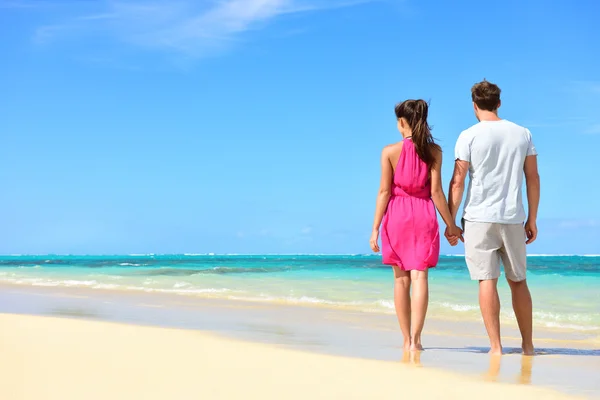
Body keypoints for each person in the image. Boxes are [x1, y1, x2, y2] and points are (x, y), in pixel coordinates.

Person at [447, 80, 540, 356]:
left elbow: (457, 182)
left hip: (478, 218)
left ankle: (496, 347)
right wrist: (532, 218)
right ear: (499, 103)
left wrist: (451, 222)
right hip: (513, 216)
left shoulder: (468, 135)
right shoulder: (522, 133)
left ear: (474, 105)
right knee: (518, 281)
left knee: (487, 280)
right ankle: (527, 346)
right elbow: (532, 178)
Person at [370, 99, 462, 352]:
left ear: (401, 122)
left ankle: (405, 339)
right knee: (420, 276)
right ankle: (417, 340)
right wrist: (451, 225)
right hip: (423, 214)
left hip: (397, 215)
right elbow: (437, 193)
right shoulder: (435, 152)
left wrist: (375, 228)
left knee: (401, 281)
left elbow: (384, 192)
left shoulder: (389, 151)